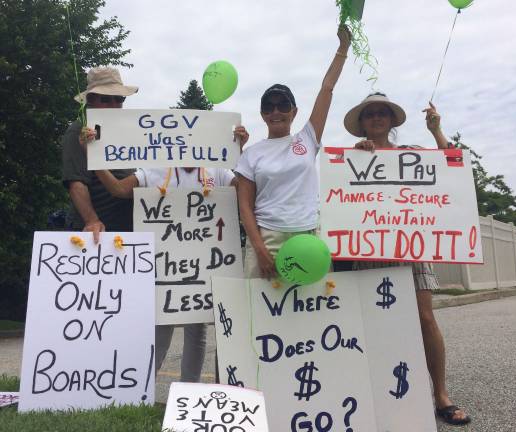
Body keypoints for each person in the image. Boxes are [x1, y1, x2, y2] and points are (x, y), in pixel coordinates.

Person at [339, 92, 471, 426]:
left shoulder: (410, 154)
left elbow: (453, 164)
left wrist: (436, 132)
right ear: (362, 123)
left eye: (382, 112)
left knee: (425, 319)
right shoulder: (352, 157)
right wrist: (355, 159)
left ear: (392, 120)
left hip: (411, 248)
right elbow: (340, 198)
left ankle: (440, 394)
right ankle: (384, 394)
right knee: (375, 327)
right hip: (368, 249)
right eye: (370, 114)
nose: (377, 117)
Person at [88, 128, 249, 383]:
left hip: (203, 271)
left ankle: (189, 391)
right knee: (160, 329)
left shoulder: (216, 171)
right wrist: (93, 156)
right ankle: (140, 389)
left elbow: (245, 191)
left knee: (197, 332)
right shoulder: (155, 170)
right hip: (164, 270)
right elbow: (118, 189)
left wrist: (238, 154)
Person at [236, 25, 351, 279]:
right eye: (268, 106)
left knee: (311, 312)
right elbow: (244, 205)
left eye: (283, 105)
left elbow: (327, 89)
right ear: (263, 114)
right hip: (266, 239)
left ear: (294, 112)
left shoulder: (308, 138)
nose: (276, 111)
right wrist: (260, 250)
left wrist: (342, 49)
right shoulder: (251, 154)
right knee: (263, 313)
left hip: (308, 236)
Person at [62, 66, 138, 243]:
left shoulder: (122, 130)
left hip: (125, 229)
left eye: (119, 99)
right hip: (97, 232)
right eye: (106, 99)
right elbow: (76, 182)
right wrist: (92, 220)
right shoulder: (79, 130)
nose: (114, 105)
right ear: (90, 99)